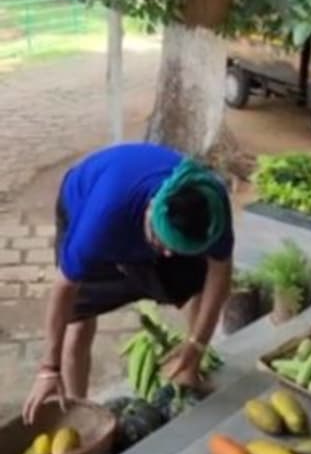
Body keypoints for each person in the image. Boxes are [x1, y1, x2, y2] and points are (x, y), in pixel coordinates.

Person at [22, 143, 234, 425]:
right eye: (162, 243)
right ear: (150, 211)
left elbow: (219, 275)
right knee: (79, 321)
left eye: (176, 249)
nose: (168, 254)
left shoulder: (210, 207)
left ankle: (188, 371)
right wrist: (48, 369)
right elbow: (63, 290)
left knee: (193, 285)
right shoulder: (100, 224)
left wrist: (196, 345)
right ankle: (78, 411)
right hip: (87, 202)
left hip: (158, 221)